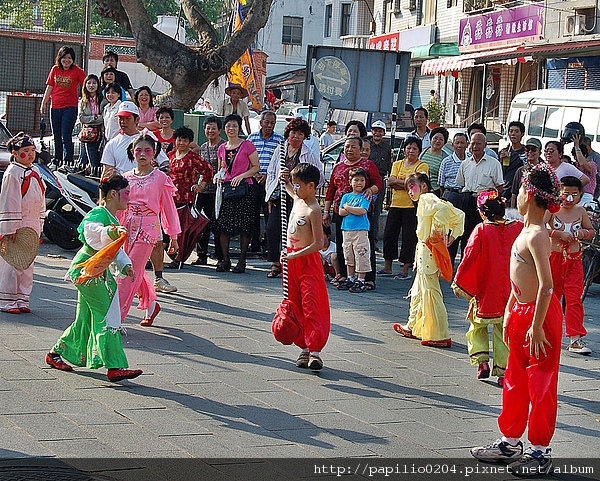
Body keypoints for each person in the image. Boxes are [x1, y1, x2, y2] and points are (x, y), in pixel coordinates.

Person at [470, 162, 563, 477]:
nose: (517, 193)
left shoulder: (537, 234)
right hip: (524, 311)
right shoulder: (524, 228)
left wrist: (536, 326)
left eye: (522, 189)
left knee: (541, 382)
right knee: (514, 378)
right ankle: (510, 441)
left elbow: (547, 286)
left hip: (541, 314)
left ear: (532, 195)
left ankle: (540, 452)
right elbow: (519, 279)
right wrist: (511, 309)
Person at [45, 175, 143, 383]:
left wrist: (126, 266)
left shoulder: (110, 216)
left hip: (95, 271)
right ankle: (115, 365)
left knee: (84, 317)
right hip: (89, 271)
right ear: (114, 194)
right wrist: (111, 231)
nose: (129, 197)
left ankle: (56, 353)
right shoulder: (97, 214)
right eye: (126, 193)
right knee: (105, 314)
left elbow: (111, 247)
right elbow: (93, 235)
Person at [100, 103, 176, 295]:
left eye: (127, 118)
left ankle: (158, 278)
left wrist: (173, 234)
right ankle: (149, 303)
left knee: (149, 250)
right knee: (129, 260)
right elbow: (106, 173)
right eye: (120, 118)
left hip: (149, 212)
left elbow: (165, 164)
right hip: (126, 208)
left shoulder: (147, 138)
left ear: (136, 119)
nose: (123, 122)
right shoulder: (113, 144)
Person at [452, 191, 523, 386]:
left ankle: (482, 361)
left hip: (486, 287)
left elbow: (468, 256)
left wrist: (459, 281)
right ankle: (502, 372)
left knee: (477, 326)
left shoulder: (482, 229)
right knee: (503, 329)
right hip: (510, 288)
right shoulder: (518, 227)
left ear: (482, 213)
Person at [393, 172, 464, 348]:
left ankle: (439, 334)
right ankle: (412, 325)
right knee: (419, 290)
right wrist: (451, 235)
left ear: (423, 185)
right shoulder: (427, 201)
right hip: (425, 248)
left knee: (430, 292)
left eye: (412, 186)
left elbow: (444, 211)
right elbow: (459, 215)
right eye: (408, 187)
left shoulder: (428, 200)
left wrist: (438, 233)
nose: (410, 191)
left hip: (429, 249)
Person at [119, 134, 180, 326]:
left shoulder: (160, 178)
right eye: (139, 150)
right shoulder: (125, 178)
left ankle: (116, 317)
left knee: (128, 271)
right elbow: (121, 206)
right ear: (132, 152)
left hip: (148, 228)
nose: (142, 154)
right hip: (127, 228)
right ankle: (151, 305)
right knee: (131, 268)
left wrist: (173, 236)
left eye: (147, 151)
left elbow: (169, 209)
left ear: (154, 154)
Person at [281, 163, 330, 371]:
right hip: (292, 261)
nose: (296, 188)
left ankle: (315, 350)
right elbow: (291, 191)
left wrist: (295, 256)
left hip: (307, 261)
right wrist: (285, 181)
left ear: (311, 186)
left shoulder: (314, 209)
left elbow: (319, 243)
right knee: (296, 303)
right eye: (295, 185)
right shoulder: (298, 200)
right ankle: (303, 347)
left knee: (311, 304)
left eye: (299, 185)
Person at [265, 118, 322, 279]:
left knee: (295, 231)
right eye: (293, 133)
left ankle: (292, 260)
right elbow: (271, 173)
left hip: (298, 199)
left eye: (300, 134)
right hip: (280, 195)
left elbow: (319, 175)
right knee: (272, 228)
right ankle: (275, 262)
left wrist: (306, 190)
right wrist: (270, 193)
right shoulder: (280, 150)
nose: (296, 137)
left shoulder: (308, 153)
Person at [323, 137, 382, 291]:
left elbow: (379, 183)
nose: (349, 149)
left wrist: (371, 190)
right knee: (345, 246)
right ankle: (346, 276)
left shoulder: (367, 165)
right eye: (347, 146)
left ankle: (367, 278)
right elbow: (330, 191)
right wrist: (326, 211)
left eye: (353, 147)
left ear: (361, 148)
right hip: (341, 212)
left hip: (361, 213)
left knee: (364, 246)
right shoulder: (338, 167)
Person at [547, 176, 594, 355]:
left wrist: (583, 232)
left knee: (574, 298)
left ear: (580, 195)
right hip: (554, 258)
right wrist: (557, 233)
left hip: (574, 259)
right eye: (565, 193)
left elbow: (591, 231)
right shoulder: (552, 210)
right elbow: (539, 227)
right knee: (551, 296)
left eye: (574, 194)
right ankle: (547, 332)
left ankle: (575, 338)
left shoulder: (580, 211)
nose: (569, 198)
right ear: (559, 193)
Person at [0, 134, 45, 313]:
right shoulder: (13, 173)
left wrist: (40, 222)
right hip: (17, 224)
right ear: (15, 153)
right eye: (25, 151)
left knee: (27, 262)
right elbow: (9, 200)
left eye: (32, 151)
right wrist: (10, 226)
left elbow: (40, 199)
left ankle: (22, 298)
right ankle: (7, 299)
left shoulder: (36, 171)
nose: (30, 154)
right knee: (11, 261)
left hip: (32, 223)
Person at [214, 114, 260, 273]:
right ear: (224, 128)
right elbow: (222, 168)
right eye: (228, 126)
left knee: (244, 226)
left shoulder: (247, 145)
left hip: (244, 189)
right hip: (227, 190)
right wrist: (218, 177)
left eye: (234, 126)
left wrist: (242, 176)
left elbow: (256, 167)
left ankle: (242, 260)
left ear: (239, 128)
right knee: (223, 226)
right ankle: (225, 260)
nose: (231, 129)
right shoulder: (222, 148)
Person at [379, 137, 428, 279]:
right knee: (389, 235)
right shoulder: (397, 164)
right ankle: (387, 266)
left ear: (419, 151)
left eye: (414, 148)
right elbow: (391, 182)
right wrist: (407, 183)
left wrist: (400, 183)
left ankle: (405, 268)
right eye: (408, 148)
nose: (411, 151)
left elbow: (418, 185)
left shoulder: (422, 166)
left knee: (409, 237)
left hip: (412, 206)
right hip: (395, 204)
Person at [166, 126, 214, 268]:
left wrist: (201, 186)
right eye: (179, 140)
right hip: (169, 198)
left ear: (189, 142)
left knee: (183, 230)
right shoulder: (170, 155)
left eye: (185, 140)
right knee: (169, 228)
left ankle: (180, 258)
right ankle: (172, 254)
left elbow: (208, 170)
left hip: (185, 199)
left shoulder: (192, 157)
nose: (181, 143)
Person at [456, 132, 504, 257]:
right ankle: (464, 261)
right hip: (467, 201)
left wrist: (487, 196)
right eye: (473, 143)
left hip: (484, 204)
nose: (475, 146)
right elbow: (461, 184)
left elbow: (499, 187)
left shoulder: (494, 163)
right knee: (465, 235)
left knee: (483, 234)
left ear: (485, 145)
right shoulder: (465, 164)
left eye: (478, 143)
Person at [40, 46, 86, 165]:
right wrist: (44, 103)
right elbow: (50, 86)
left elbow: (86, 84)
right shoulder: (55, 69)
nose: (66, 60)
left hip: (70, 107)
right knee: (56, 135)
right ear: (60, 58)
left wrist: (88, 100)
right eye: (64, 57)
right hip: (55, 106)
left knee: (66, 135)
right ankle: (57, 159)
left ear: (73, 59)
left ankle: (68, 160)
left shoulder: (77, 71)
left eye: (69, 58)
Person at [248, 111, 284, 254]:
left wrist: (267, 176)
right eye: (267, 122)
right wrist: (256, 174)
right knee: (253, 214)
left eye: (272, 123)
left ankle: (270, 245)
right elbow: (246, 159)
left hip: (271, 183)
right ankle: (254, 243)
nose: (269, 125)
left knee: (270, 215)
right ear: (261, 123)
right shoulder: (252, 138)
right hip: (253, 180)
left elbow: (280, 163)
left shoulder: (280, 141)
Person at [196, 116, 226, 265]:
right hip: (203, 190)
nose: (211, 131)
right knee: (201, 224)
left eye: (214, 128)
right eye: (208, 128)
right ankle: (201, 255)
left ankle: (221, 257)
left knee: (217, 224)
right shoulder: (202, 147)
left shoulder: (224, 146)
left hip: (218, 191)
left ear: (220, 130)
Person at [338, 167, 372, 293]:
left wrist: (348, 208)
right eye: (356, 180)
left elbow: (362, 211)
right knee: (349, 254)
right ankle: (350, 277)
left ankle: (361, 279)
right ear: (350, 181)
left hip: (360, 230)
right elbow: (340, 211)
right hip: (347, 230)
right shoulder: (346, 196)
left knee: (361, 254)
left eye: (362, 180)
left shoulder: (365, 196)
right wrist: (348, 208)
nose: (359, 183)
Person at [439, 132, 468, 264]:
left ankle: (464, 265)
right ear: (453, 145)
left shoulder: (471, 160)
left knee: (466, 231)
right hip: (451, 196)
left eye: (462, 143)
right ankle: (447, 264)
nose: (460, 145)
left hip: (467, 196)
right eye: (457, 143)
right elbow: (441, 184)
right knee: (450, 231)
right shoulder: (446, 161)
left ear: (467, 144)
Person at [369, 120, 392, 247]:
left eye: (380, 131)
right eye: (375, 130)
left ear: (383, 133)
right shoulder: (366, 143)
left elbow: (389, 164)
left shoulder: (386, 147)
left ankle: (374, 241)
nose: (377, 133)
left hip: (380, 181)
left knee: (376, 212)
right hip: (365, 182)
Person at [78, 74, 107, 170]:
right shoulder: (83, 101)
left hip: (101, 133)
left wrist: (90, 119)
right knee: (92, 160)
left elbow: (103, 117)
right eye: (89, 83)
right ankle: (92, 172)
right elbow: (82, 118)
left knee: (100, 158)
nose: (91, 85)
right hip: (88, 134)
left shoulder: (103, 100)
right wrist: (95, 118)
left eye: (94, 83)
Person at [511, 138, 543, 208]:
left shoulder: (544, 171)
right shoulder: (520, 170)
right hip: (521, 209)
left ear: (540, 153)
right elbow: (514, 193)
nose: (530, 152)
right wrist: (512, 211)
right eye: (527, 150)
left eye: (533, 150)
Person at [499, 121, 526, 200]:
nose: (513, 134)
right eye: (511, 131)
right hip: (507, 189)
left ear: (522, 134)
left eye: (516, 131)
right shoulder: (504, 152)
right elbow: (500, 173)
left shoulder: (527, 152)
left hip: (521, 189)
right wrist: (501, 160)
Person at [419, 126, 448, 195]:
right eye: (435, 138)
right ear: (430, 139)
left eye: (441, 139)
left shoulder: (445, 158)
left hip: (435, 191)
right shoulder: (423, 152)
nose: (437, 141)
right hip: (420, 189)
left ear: (444, 142)